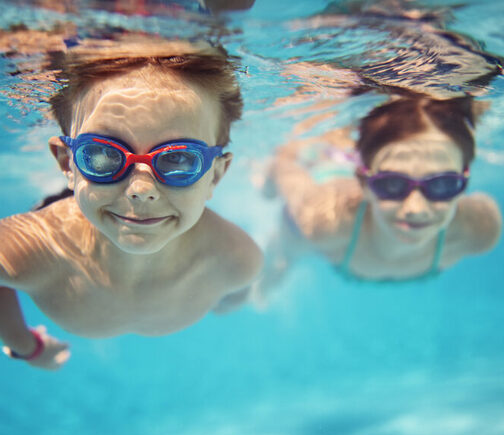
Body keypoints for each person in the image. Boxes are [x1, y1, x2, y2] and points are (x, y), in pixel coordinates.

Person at [0, 37, 263, 370]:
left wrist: (229, 298)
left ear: (215, 175)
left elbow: (238, 291)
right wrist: (23, 344)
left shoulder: (236, 260)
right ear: (68, 164)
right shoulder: (39, 248)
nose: (140, 189)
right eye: (102, 153)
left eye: (178, 159)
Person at [257, 96, 501, 297]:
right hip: (323, 184)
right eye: (392, 184)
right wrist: (269, 187)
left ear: (464, 181)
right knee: (285, 254)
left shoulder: (480, 230)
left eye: (442, 185)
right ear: (363, 183)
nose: (416, 208)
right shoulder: (324, 220)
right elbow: (284, 164)